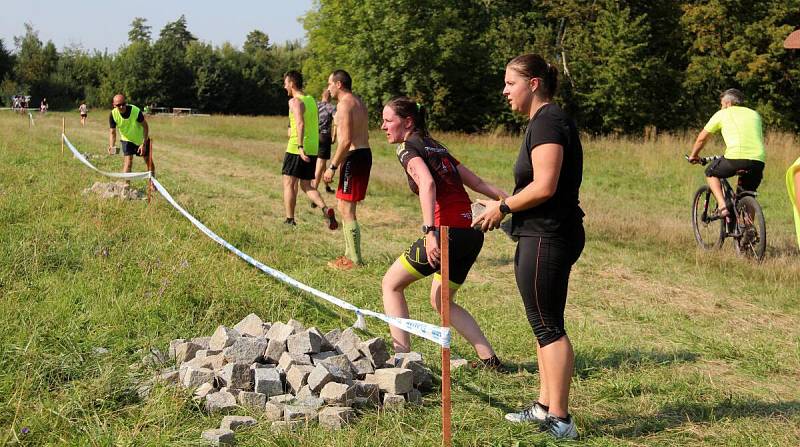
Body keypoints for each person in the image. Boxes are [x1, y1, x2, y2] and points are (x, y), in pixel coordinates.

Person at [475, 54, 585, 440]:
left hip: (547, 234)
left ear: (533, 83)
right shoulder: (545, 122)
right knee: (542, 323)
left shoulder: (549, 122)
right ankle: (543, 407)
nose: (504, 91)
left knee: (549, 326)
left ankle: (561, 418)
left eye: (510, 83)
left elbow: (545, 186)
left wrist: (501, 207)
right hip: (541, 232)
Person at [380, 96, 509, 368]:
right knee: (441, 300)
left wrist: (430, 233)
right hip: (472, 234)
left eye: (388, 120)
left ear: (407, 122)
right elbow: (477, 182)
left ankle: (403, 359)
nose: (383, 126)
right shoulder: (437, 147)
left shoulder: (406, 147)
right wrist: (511, 204)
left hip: (446, 234)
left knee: (391, 285)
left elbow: (427, 184)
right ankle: (489, 359)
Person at [688, 89, 766, 219]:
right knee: (747, 194)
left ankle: (722, 206)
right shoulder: (755, 114)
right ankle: (749, 230)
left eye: (722, 104)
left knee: (710, 172)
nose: (721, 107)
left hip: (735, 158)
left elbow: (702, 138)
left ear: (728, 103)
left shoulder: (722, 114)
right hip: (758, 160)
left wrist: (694, 155)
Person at [323, 70, 372, 269]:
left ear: (339, 84)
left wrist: (332, 167)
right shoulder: (358, 102)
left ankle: (354, 260)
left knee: (348, 209)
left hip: (354, 157)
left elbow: (345, 140)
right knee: (343, 207)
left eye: (330, 84)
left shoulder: (344, 105)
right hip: (363, 155)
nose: (328, 88)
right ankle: (348, 255)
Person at [281, 70, 338, 230]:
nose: (284, 86)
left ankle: (290, 220)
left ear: (291, 84)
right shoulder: (311, 100)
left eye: (285, 83)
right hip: (313, 148)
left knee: (289, 184)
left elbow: (300, 124)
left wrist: (299, 147)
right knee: (306, 185)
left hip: (297, 148)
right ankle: (325, 209)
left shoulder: (294, 101)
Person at [107, 94, 155, 178]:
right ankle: (126, 186)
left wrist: (143, 144)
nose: (122, 106)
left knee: (148, 161)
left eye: (123, 104)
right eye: (118, 105)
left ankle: (153, 183)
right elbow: (112, 132)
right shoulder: (113, 114)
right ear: (114, 105)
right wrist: (112, 146)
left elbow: (145, 127)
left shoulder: (135, 111)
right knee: (128, 162)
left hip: (141, 139)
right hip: (127, 139)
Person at [315, 88, 337, 194]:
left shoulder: (316, 105)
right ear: (330, 97)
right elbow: (336, 121)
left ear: (322, 95)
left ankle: (327, 187)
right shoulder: (331, 107)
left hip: (315, 136)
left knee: (322, 162)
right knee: (320, 163)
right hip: (324, 136)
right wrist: (334, 135)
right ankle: (314, 190)